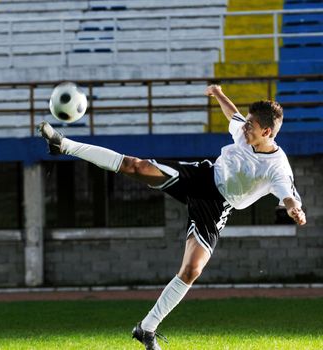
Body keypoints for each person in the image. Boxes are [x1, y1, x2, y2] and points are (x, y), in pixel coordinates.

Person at [38, 84, 306, 350]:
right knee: (135, 166)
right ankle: (63, 144)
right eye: (246, 123)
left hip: (216, 206)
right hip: (200, 177)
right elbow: (233, 115)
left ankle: (146, 329)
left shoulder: (277, 167)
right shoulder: (244, 132)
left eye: (250, 126)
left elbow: (288, 193)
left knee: (191, 271)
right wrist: (220, 94)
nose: (244, 127)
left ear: (267, 132)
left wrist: (294, 208)